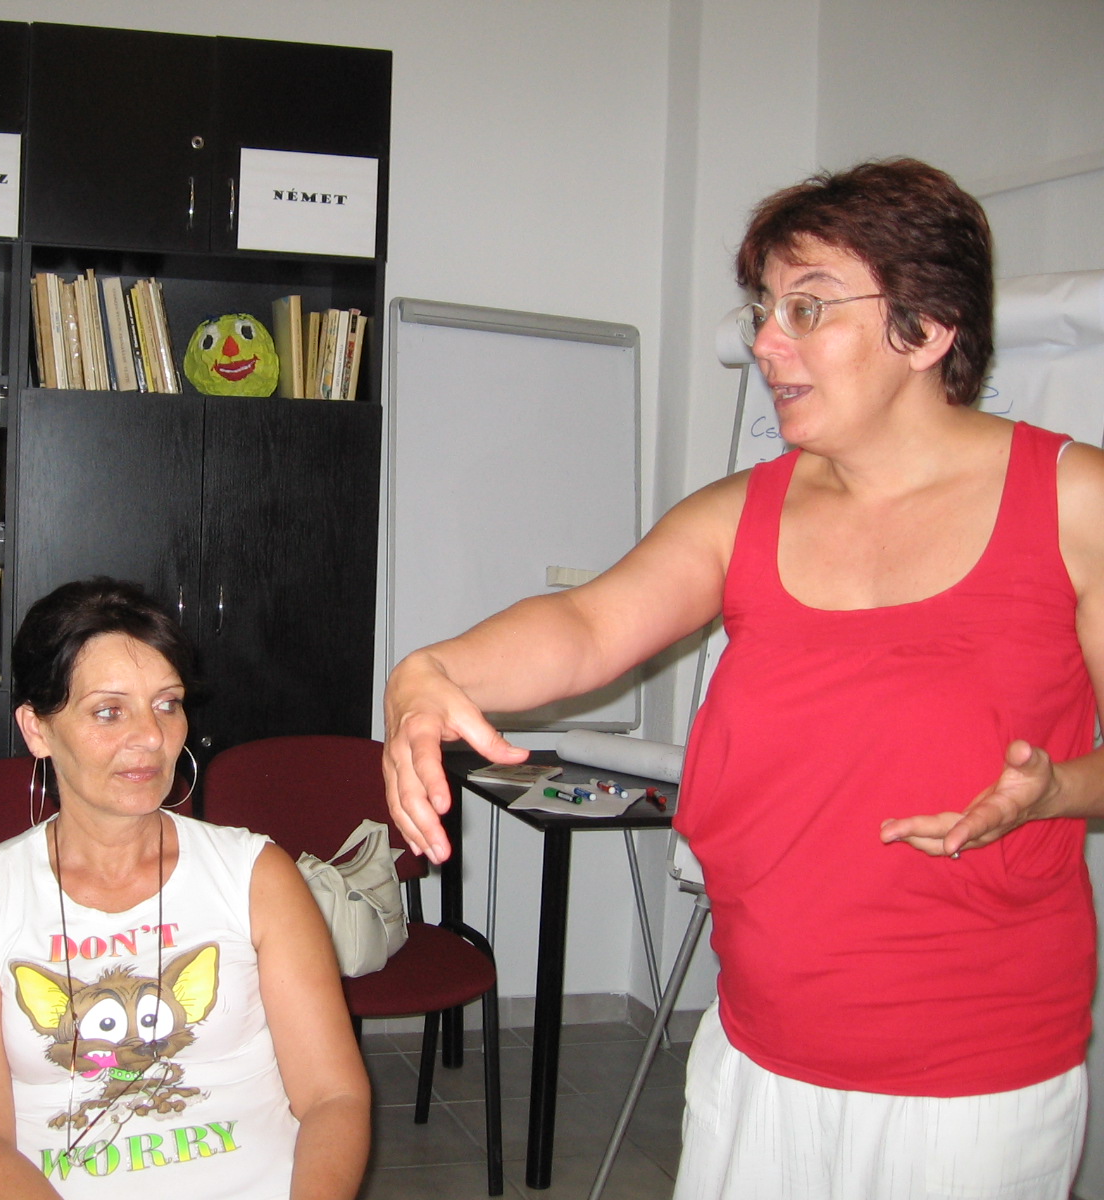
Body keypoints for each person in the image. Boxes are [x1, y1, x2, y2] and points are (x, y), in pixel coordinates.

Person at [381, 158, 1104, 1199]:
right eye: (765, 308)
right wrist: (433, 669)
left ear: (928, 327)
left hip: (972, 1070)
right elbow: (587, 627)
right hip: (760, 1040)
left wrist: (1057, 790)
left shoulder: (1073, 502)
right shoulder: (743, 514)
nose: (766, 341)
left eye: (807, 307)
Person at [0, 577, 370, 1200]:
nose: (151, 737)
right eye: (109, 710)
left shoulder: (255, 874)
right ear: (37, 729)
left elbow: (333, 1097)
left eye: (167, 703)